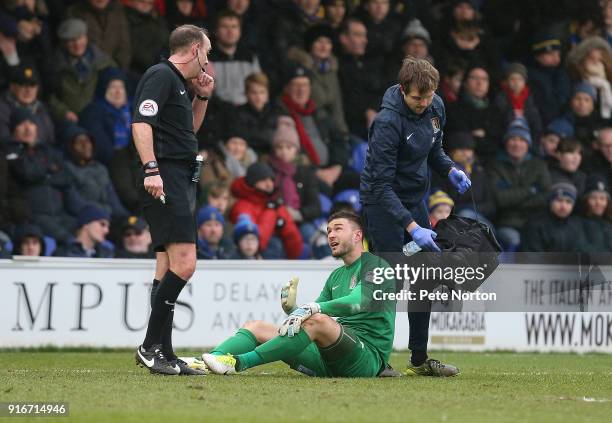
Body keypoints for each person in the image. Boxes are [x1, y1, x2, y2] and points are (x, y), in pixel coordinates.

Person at [360, 56, 468, 376]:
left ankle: (419, 360)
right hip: (382, 203)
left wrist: (450, 169)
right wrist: (411, 226)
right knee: (388, 280)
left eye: (429, 95)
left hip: (415, 198)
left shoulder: (436, 107)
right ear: (404, 90)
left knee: (425, 276)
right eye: (417, 97)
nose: (423, 103)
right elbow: (379, 185)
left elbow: (434, 150)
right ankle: (376, 358)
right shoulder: (387, 122)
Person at [202, 211, 397, 377]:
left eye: (338, 229)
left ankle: (237, 363)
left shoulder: (377, 266)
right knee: (256, 327)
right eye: (328, 230)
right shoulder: (336, 275)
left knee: (319, 320)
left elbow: (358, 301)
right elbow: (312, 314)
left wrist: (312, 308)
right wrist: (293, 309)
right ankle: (204, 363)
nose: (330, 235)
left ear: (357, 236)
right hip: (330, 359)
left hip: (366, 359)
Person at [132, 24, 214, 376]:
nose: (207, 63)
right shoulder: (160, 75)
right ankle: (149, 346)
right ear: (194, 49)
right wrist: (152, 169)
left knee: (166, 266)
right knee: (185, 263)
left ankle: (164, 352)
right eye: (207, 54)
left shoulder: (179, 85)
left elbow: (188, 131)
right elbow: (141, 123)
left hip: (178, 177)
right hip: (166, 177)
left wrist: (203, 98)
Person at [489, 118, 551, 251]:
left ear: (528, 143)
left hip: (535, 222)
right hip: (507, 223)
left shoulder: (539, 165)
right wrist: (531, 190)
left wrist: (513, 198)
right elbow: (499, 199)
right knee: (513, 238)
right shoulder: (495, 166)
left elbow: (545, 196)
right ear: (506, 142)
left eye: (522, 140)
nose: (517, 144)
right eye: (513, 139)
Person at [229, 162, 304, 259]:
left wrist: (283, 226)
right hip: (252, 260)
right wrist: (271, 213)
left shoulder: (275, 204)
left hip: (282, 261)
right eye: (264, 180)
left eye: (271, 180)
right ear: (252, 183)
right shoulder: (242, 206)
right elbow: (254, 242)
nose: (269, 184)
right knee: (274, 243)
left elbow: (295, 246)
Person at [48, 18, 114, 123]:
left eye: (80, 38)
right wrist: (64, 112)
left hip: (101, 118)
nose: (77, 44)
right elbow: (49, 97)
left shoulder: (103, 62)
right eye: (71, 40)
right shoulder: (55, 66)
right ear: (64, 43)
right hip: (70, 121)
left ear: (86, 38)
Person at [79, 67, 132, 165]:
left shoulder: (134, 108)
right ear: (103, 89)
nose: (118, 91)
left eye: (121, 87)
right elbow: (102, 149)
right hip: (110, 163)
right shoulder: (93, 112)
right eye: (112, 87)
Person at [209, 9, 261, 105]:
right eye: (225, 27)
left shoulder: (250, 57)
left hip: (246, 111)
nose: (230, 31)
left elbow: (259, 87)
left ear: (240, 31)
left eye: (234, 27)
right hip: (217, 112)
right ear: (216, 31)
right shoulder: (207, 58)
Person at [521, 183, 590, 252]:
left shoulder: (575, 227)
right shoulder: (535, 225)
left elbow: (580, 254)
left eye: (568, 202)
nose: (563, 206)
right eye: (559, 200)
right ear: (550, 202)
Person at [0, 64, 55, 145]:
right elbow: (4, 142)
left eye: (32, 86)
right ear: (12, 87)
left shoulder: (41, 109)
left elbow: (50, 140)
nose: (28, 90)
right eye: (23, 85)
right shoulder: (2, 109)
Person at [67, 0, 131, 70]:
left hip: (118, 70)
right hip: (90, 71)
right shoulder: (74, 12)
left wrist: (118, 72)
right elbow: (75, 48)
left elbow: (125, 45)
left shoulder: (117, 9)